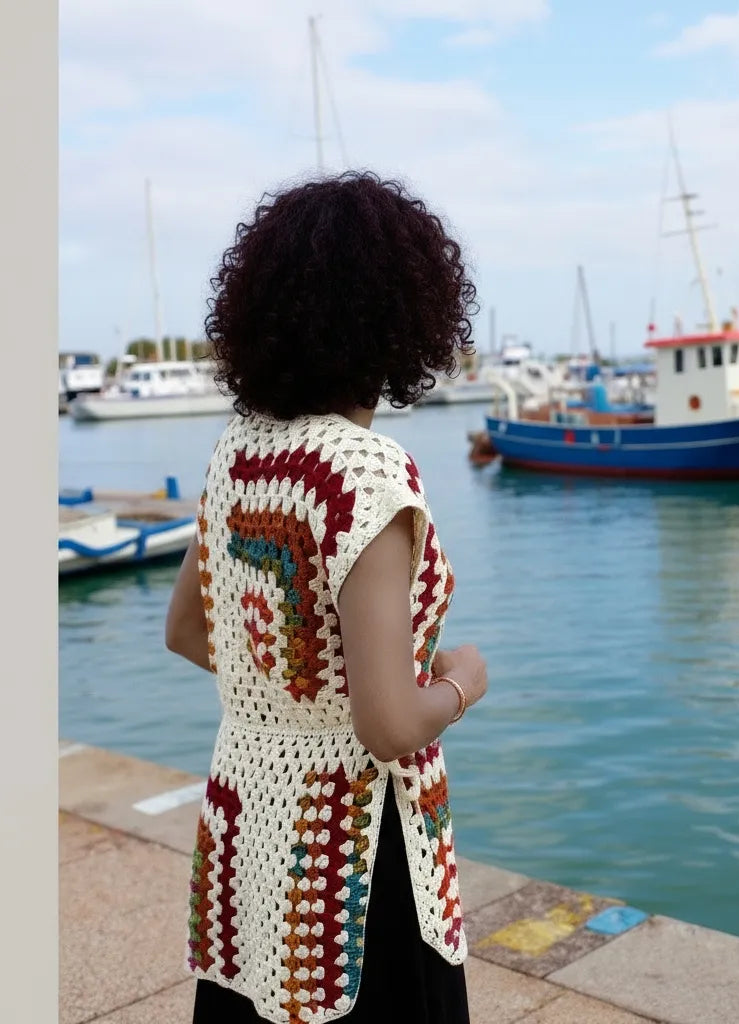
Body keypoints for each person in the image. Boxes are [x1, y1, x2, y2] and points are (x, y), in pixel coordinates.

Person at [164, 171, 488, 1023]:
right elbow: (387, 726)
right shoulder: (363, 474)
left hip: (249, 837)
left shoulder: (239, 451)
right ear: (404, 317)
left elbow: (189, 632)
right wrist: (461, 682)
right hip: (353, 862)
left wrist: (294, 695)